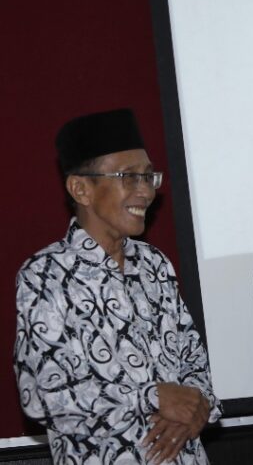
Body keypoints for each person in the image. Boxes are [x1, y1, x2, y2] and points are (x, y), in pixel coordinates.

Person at [14, 108, 221, 464]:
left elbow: (194, 363)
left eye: (148, 176)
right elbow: (43, 396)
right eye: (129, 177)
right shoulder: (45, 275)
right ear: (81, 189)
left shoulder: (155, 265)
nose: (146, 191)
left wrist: (196, 407)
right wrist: (151, 397)